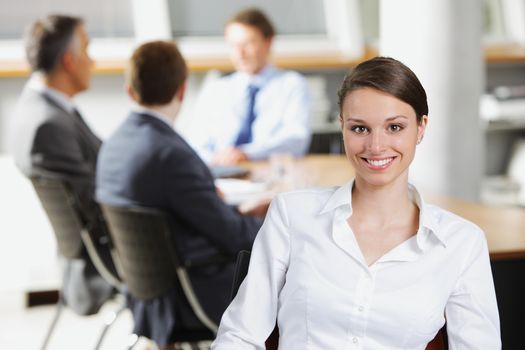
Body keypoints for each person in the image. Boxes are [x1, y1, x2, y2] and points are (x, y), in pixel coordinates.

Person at [211, 57, 501, 349]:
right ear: (342, 127)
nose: (376, 146)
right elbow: (240, 337)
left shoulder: (462, 244)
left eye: (395, 128)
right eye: (360, 128)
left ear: (421, 127)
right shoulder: (292, 215)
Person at [95, 40, 267, 348]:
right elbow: (233, 238)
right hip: (194, 291)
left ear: (130, 90)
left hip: (147, 290)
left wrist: (234, 211)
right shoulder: (170, 154)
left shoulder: (114, 146)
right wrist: (278, 221)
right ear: (183, 89)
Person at [11, 15, 114, 315]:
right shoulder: (48, 123)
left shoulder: (44, 109)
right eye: (87, 51)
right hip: (109, 259)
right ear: (69, 61)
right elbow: (97, 205)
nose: (92, 62)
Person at [186, 8, 311, 165]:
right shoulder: (216, 90)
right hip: (222, 174)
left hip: (269, 173)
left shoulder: (292, 84)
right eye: (233, 45)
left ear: (268, 42)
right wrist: (216, 159)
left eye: (248, 43)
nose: (240, 53)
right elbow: (194, 144)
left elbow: (296, 140)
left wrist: (246, 153)